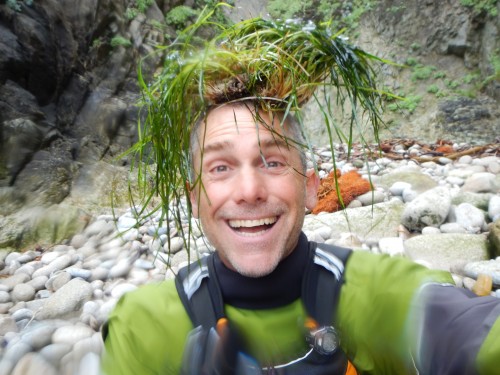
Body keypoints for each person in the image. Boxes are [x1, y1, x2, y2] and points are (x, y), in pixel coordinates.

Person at [101, 13, 500, 375]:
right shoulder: (143, 326)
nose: (249, 191)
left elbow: (466, 330)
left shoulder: (374, 293)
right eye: (220, 168)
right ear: (193, 198)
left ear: (310, 187)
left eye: (272, 162)